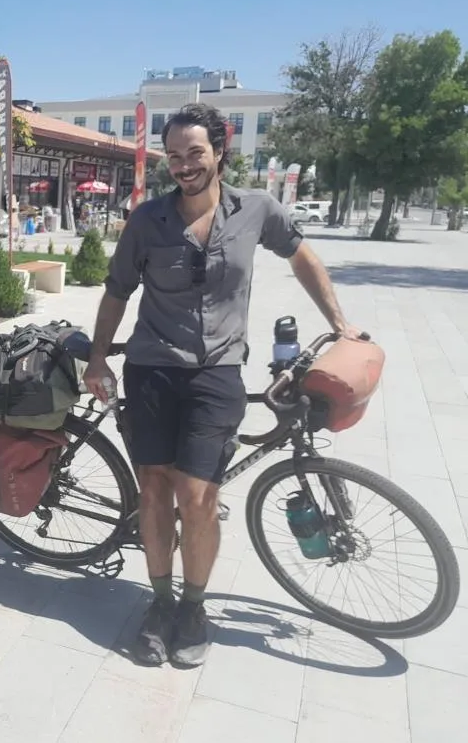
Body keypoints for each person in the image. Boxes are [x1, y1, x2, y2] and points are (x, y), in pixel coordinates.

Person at [82, 104, 362, 667]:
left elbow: (303, 257)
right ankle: (160, 603)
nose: (184, 165)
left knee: (198, 497)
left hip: (217, 372)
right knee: (154, 490)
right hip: (152, 369)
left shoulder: (256, 209)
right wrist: (96, 359)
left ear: (219, 151)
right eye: (174, 155)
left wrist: (340, 323)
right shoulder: (148, 219)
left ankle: (193, 607)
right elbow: (117, 291)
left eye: (195, 153)